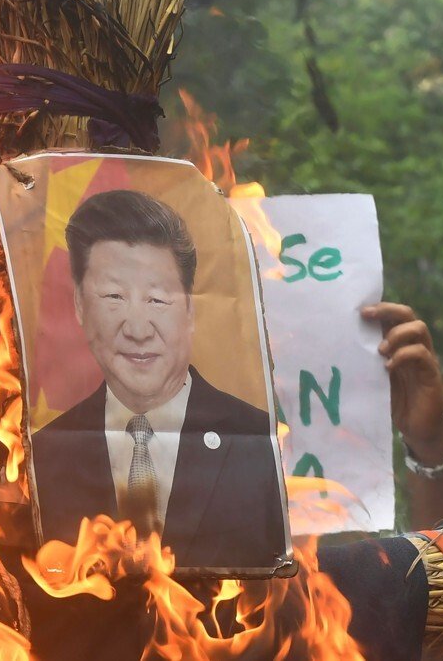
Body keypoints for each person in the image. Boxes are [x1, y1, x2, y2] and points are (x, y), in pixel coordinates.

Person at [30, 189, 287, 569]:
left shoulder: (259, 443)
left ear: (189, 311)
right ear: (80, 306)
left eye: (157, 300)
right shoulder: (41, 455)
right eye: (114, 296)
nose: (137, 329)